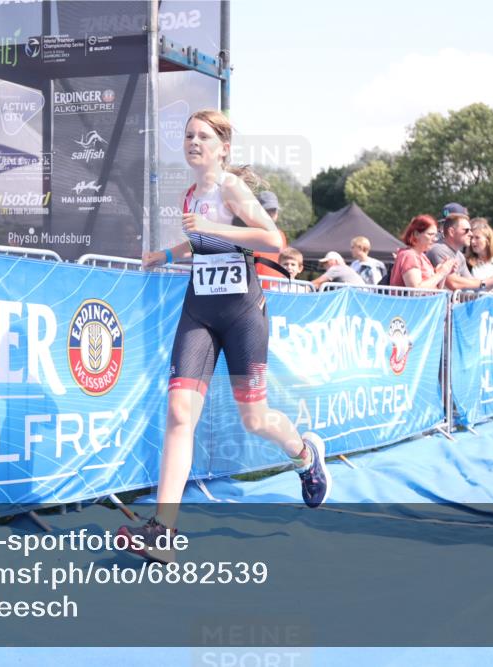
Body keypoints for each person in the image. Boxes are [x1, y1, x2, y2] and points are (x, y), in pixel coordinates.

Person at [119, 109, 331, 560]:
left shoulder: (231, 188)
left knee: (255, 419)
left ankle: (304, 456)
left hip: (242, 314)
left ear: (223, 148)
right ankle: (164, 531)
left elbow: (272, 240)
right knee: (179, 412)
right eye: (188, 135)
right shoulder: (189, 195)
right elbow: (199, 244)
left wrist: (214, 227)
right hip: (200, 308)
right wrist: (165, 253)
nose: (194, 142)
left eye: (204, 136)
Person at [426, 203, 493, 291]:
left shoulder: (459, 255)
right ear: (451, 231)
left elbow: (471, 282)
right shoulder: (437, 249)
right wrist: (484, 283)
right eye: (466, 230)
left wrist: (490, 283)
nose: (471, 234)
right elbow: (453, 283)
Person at [389, 215, 456, 289]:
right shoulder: (409, 256)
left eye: (436, 235)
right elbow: (415, 290)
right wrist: (441, 273)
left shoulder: (422, 256)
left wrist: (443, 272)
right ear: (416, 234)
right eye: (430, 234)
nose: (435, 239)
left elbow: (436, 289)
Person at [251, 191, 288, 279]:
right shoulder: (247, 234)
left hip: (277, 289)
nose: (270, 214)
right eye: (266, 210)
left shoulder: (281, 235)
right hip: (255, 290)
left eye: (273, 210)